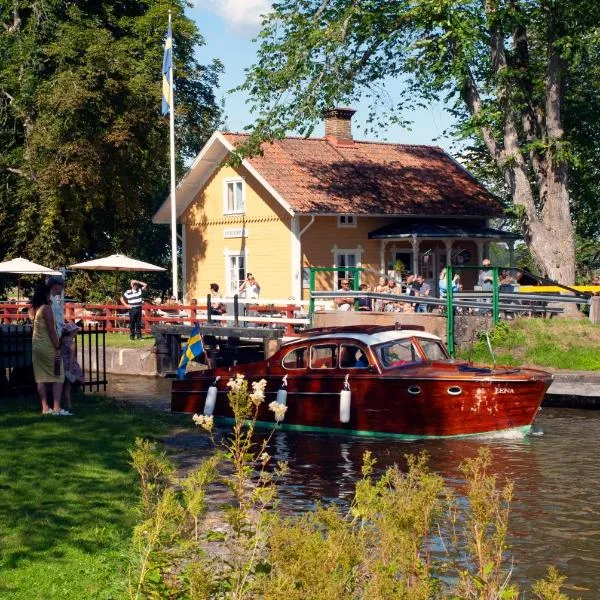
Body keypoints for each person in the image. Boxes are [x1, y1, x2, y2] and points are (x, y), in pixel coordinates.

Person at [31, 282, 70, 415]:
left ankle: (45, 408)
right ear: (46, 294)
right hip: (48, 346)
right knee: (59, 375)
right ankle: (57, 408)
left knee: (41, 377)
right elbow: (51, 330)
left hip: (37, 346)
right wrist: (57, 347)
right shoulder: (47, 308)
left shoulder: (36, 308)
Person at [61, 322, 84, 412]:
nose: (77, 332)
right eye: (76, 331)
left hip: (61, 364)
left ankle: (65, 402)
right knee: (68, 385)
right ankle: (69, 404)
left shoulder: (62, 340)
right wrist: (70, 369)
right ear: (72, 332)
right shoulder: (72, 343)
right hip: (69, 365)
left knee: (63, 384)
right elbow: (71, 357)